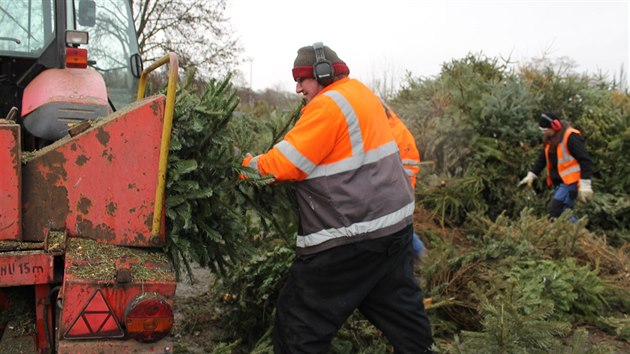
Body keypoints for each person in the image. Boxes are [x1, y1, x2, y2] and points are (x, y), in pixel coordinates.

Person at [242, 42, 433, 353]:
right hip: (394, 230)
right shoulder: (361, 94)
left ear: (322, 73)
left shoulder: (328, 105)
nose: (297, 88)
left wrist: (244, 166)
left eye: (302, 79)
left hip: (350, 238)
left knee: (299, 323)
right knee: (401, 311)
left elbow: (283, 165)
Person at [518, 112, 593, 220]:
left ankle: (576, 234)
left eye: (545, 130)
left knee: (556, 211)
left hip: (570, 182)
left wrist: (585, 184)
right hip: (559, 183)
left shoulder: (571, 137)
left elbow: (585, 160)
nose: (544, 133)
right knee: (563, 213)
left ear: (555, 126)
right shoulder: (550, 139)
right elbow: (543, 158)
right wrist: (531, 175)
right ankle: (574, 234)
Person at [382, 101, 426, 259]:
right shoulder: (392, 126)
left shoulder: (391, 131)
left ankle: (419, 254)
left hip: (398, 188)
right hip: (400, 187)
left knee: (398, 227)